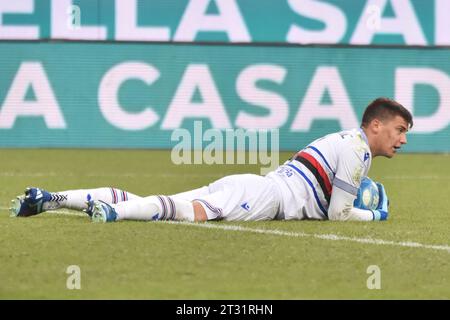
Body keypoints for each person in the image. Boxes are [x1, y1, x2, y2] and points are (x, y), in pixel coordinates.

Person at [10, 97, 412, 223]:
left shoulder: (342, 140)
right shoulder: (357, 150)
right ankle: (112, 214)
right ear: (375, 125)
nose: (403, 139)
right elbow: (339, 215)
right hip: (264, 196)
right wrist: (375, 215)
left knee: (157, 200)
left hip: (253, 185)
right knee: (183, 213)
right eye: (398, 130)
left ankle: (54, 198)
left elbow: (332, 202)